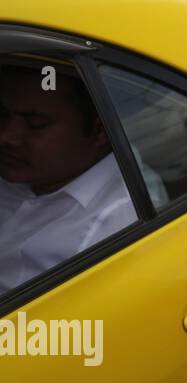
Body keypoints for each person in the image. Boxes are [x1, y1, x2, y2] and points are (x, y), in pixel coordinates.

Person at [0, 61, 137, 295]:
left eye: (36, 124)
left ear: (100, 131)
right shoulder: (27, 169)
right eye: (1, 116)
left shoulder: (118, 226)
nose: (5, 137)